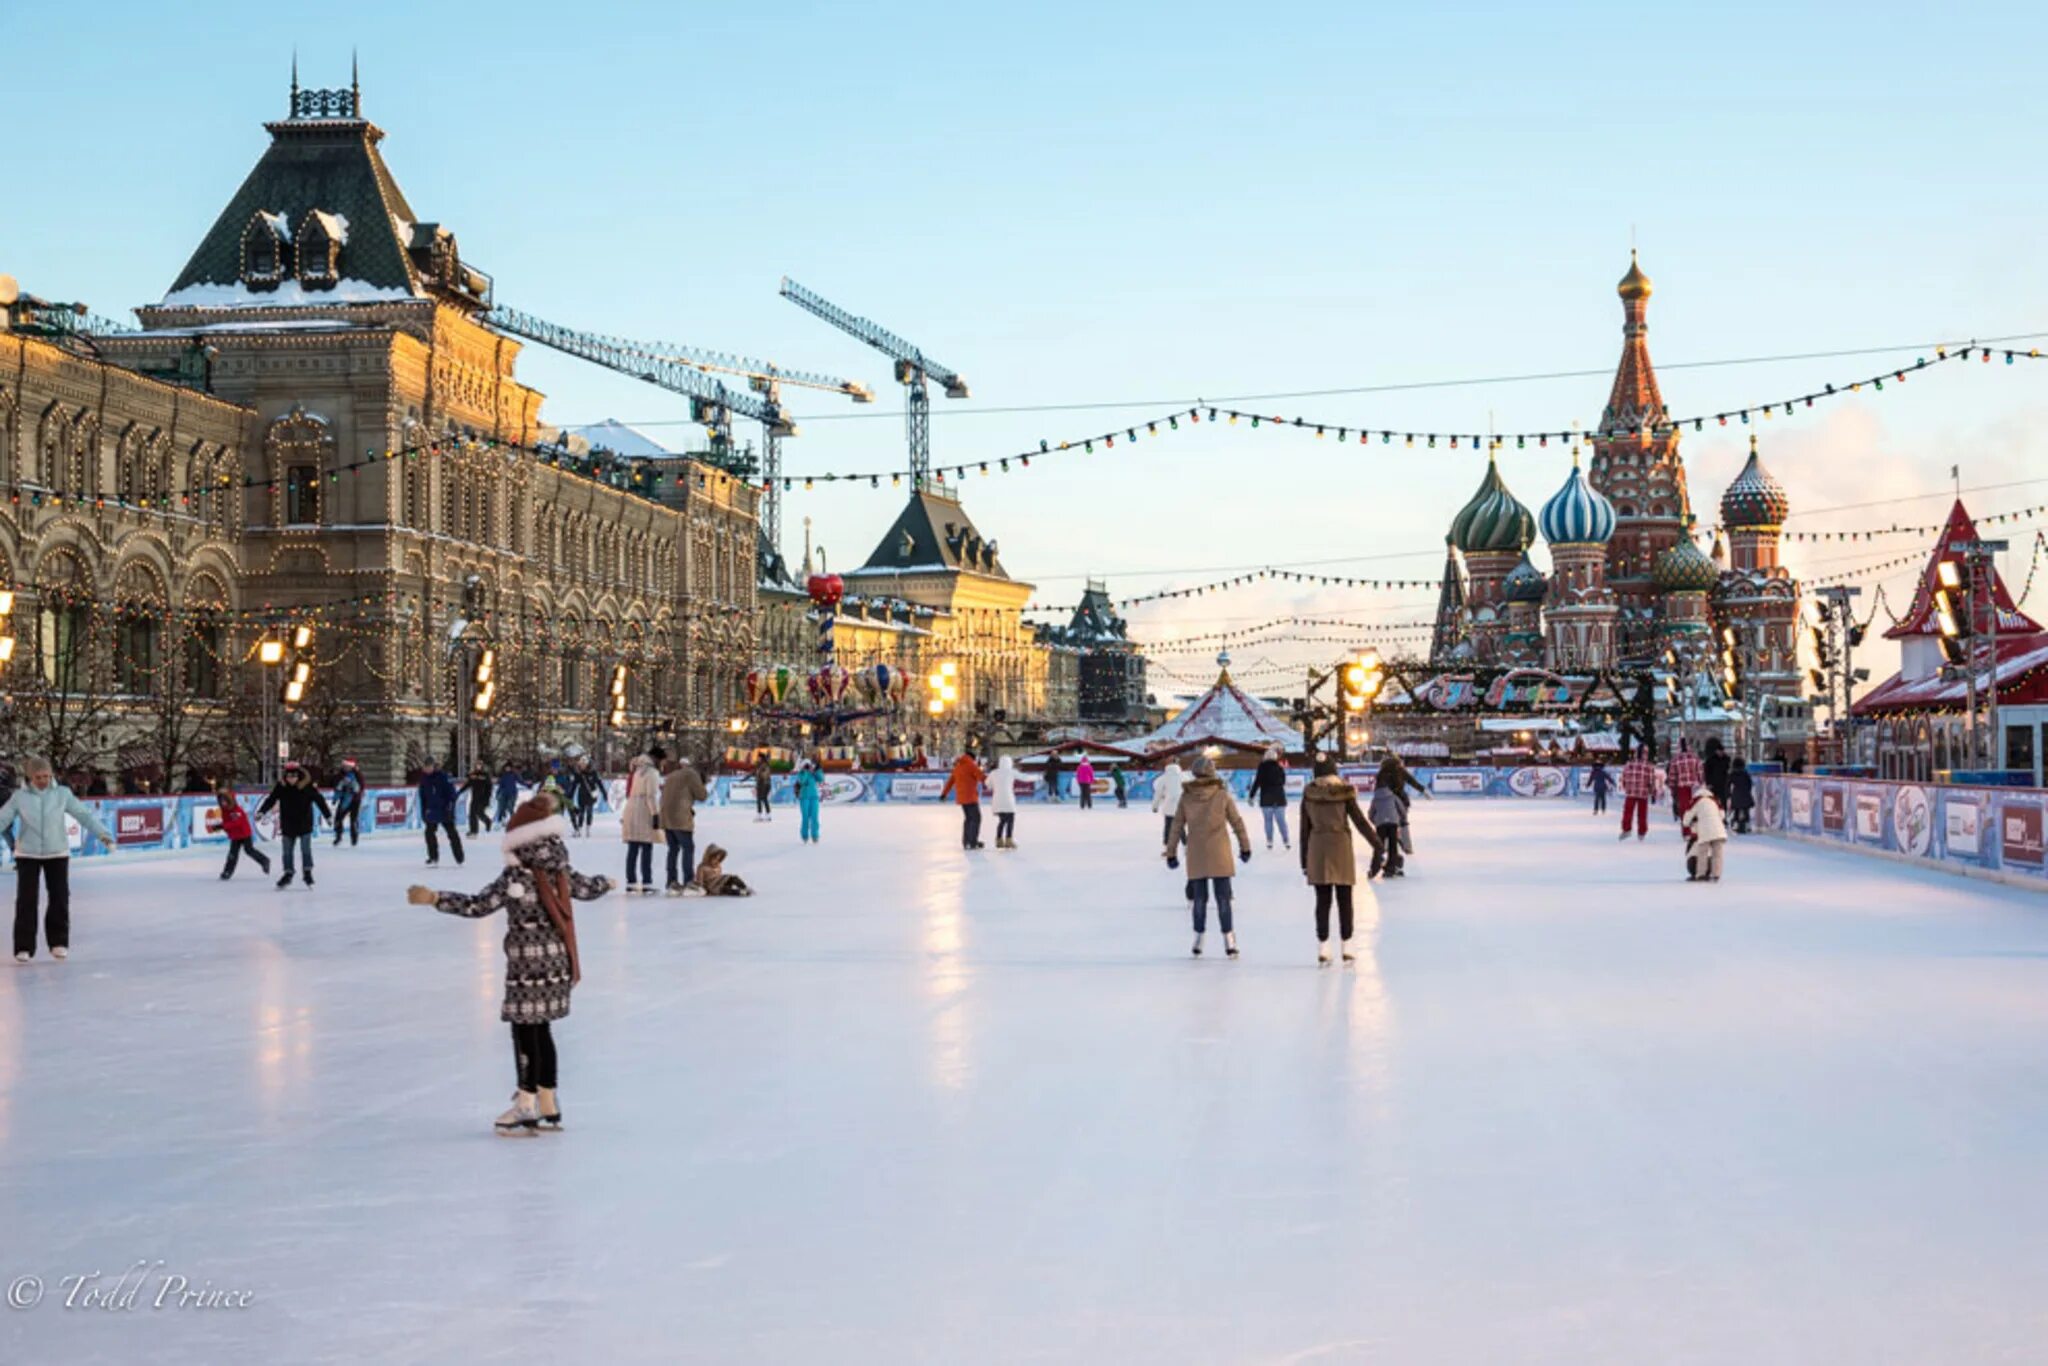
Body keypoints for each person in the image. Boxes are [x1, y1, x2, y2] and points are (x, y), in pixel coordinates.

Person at [406, 795, 613, 1135]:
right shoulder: (560, 869)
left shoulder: (517, 876)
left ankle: (526, 1103)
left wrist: (435, 898)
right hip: (559, 963)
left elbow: (478, 905)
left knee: (523, 1030)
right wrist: (607, 882)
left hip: (526, 969)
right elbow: (588, 889)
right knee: (542, 1029)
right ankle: (548, 1100)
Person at [2, 756, 116, 962]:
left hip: (57, 853)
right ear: (30, 777)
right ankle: (24, 947)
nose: (43, 780)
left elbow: (84, 815)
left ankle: (58, 942)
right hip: (28, 854)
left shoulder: (62, 794)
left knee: (59, 897)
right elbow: (3, 818)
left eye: (46, 775)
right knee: (26, 900)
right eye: (38, 777)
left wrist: (103, 834)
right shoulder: (20, 797)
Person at [1165, 756, 1252, 958]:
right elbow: (1236, 822)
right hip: (1219, 851)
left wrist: (1171, 852)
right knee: (1223, 898)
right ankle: (1229, 940)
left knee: (1199, 899)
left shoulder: (1187, 797)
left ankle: (1198, 938)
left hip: (1197, 852)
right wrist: (1245, 846)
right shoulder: (1222, 795)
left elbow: (1176, 826)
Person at [1299, 758, 1380, 965]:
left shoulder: (1309, 794)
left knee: (1322, 900)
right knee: (1345, 899)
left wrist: (1304, 860)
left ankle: (1324, 946)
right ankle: (1348, 944)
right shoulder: (1344, 793)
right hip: (1340, 847)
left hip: (1318, 847)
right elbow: (1360, 821)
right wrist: (1377, 843)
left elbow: (1304, 829)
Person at [256, 762, 332, 888]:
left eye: (293, 777)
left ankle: (307, 872)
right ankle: (288, 873)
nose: (290, 780)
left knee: (305, 849)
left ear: (299, 777)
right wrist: (262, 811)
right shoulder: (282, 787)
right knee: (287, 851)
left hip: (304, 823)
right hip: (288, 823)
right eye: (288, 777)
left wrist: (328, 815)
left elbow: (320, 800)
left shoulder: (307, 787)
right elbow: (271, 799)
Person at [659, 753, 709, 893]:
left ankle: (671, 881)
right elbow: (702, 795)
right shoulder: (691, 774)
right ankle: (688, 881)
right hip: (680, 817)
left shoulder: (671, 776)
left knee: (673, 850)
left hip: (666, 817)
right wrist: (702, 784)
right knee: (688, 848)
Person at [620, 753, 661, 893]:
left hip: (631, 809)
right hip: (644, 811)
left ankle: (631, 881)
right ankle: (647, 882)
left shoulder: (637, 773)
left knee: (633, 848)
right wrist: (655, 814)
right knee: (646, 847)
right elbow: (651, 795)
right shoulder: (652, 773)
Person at [217, 784, 271, 880]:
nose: (223, 803)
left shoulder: (235, 809)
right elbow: (227, 822)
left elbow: (236, 822)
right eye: (221, 801)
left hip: (244, 833)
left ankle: (264, 861)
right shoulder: (224, 809)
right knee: (232, 853)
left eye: (224, 801)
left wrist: (222, 826)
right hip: (235, 835)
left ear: (228, 800)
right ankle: (227, 872)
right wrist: (219, 826)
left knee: (249, 850)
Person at [418, 758, 463, 867]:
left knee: (452, 833)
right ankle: (433, 857)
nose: (427, 769)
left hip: (444, 809)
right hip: (431, 810)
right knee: (429, 833)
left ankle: (459, 856)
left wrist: (449, 807)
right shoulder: (424, 779)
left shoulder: (443, 777)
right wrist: (424, 812)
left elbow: (451, 794)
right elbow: (423, 796)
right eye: (425, 767)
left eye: (429, 767)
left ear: (433, 766)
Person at [940, 751, 987, 850]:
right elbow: (981, 777)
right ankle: (973, 842)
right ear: (972, 758)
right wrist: (992, 780)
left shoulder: (958, 766)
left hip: (961, 798)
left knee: (968, 819)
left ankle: (966, 842)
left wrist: (944, 794)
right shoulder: (972, 765)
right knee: (976, 818)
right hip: (971, 797)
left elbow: (950, 781)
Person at [1367, 768, 1409, 879]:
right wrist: (1402, 820)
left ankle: (1374, 869)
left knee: (1378, 847)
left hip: (1380, 824)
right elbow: (1402, 809)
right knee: (1392, 846)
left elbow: (1371, 813)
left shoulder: (1376, 798)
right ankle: (1391, 868)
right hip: (1393, 824)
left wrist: (1376, 822)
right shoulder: (1393, 796)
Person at [1681, 788, 1729, 881]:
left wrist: (1688, 822)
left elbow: (1686, 818)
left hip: (1705, 830)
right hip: (1719, 830)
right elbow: (1722, 815)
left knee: (1702, 852)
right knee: (1717, 854)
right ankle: (1716, 875)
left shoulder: (1697, 801)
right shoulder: (1714, 801)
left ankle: (1701, 874)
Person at [1249, 747, 1291, 851]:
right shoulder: (1279, 767)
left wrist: (1251, 796)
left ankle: (1269, 841)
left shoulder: (1262, 767)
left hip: (1266, 799)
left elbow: (1257, 782)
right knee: (1281, 821)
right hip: (1279, 798)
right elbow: (1283, 781)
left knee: (1268, 821)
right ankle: (1286, 841)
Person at [1618, 746, 1660, 841]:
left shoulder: (1629, 764)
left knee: (1628, 812)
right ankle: (1641, 832)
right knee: (1642, 813)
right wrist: (1653, 792)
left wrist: (1625, 786)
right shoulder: (1648, 766)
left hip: (1631, 792)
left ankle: (1626, 829)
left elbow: (1624, 777)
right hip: (1643, 793)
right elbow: (1651, 781)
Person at [681, 843, 753, 897]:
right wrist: (704, 890)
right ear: (709, 857)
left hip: (720, 881)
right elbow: (700, 882)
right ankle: (740, 892)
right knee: (725, 889)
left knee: (733, 878)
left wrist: (722, 879)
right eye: (714, 859)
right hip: (712, 887)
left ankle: (744, 887)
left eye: (718, 859)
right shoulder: (702, 867)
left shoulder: (718, 866)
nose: (716, 861)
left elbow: (719, 876)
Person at [1152, 758, 1187, 847]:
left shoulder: (1164, 778)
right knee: (1180, 826)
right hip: (1181, 806)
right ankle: (1186, 845)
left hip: (1169, 806)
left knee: (1168, 826)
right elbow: (1190, 791)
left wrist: (1155, 806)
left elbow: (1158, 793)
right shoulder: (1183, 777)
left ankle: (1166, 846)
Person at [1667, 739, 1704, 822]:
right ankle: (1694, 820)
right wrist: (1701, 782)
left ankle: (1686, 825)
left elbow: (1672, 776)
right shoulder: (1695, 758)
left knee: (1684, 805)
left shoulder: (1675, 760)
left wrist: (1672, 787)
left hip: (1682, 785)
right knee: (1693, 803)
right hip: (1694, 785)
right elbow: (1700, 771)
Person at [330, 758, 364, 847]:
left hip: (355, 800)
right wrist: (338, 793)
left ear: (351, 767)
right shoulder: (340, 775)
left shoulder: (357, 775)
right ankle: (338, 836)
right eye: (344, 766)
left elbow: (361, 787)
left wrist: (354, 791)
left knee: (353, 820)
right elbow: (336, 785)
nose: (345, 768)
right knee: (338, 818)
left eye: (347, 766)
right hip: (344, 800)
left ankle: (354, 838)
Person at [989, 754, 1020, 849]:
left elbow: (988, 784)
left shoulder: (994, 773)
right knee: (1010, 820)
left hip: (997, 801)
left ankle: (998, 840)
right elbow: (1025, 777)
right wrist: (1038, 777)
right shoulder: (1011, 772)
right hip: (1008, 800)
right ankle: (1008, 839)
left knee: (1002, 821)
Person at [793, 759, 823, 845]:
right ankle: (805, 836)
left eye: (809, 765)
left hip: (814, 798)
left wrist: (818, 770)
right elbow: (802, 781)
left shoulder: (813, 773)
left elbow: (821, 779)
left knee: (815, 818)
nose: (809, 766)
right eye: (806, 765)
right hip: (804, 798)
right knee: (805, 818)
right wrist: (805, 771)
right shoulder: (801, 773)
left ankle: (815, 836)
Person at [570, 759, 601, 837]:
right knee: (581, 813)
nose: (582, 766)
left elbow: (599, 783)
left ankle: (588, 828)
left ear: (587, 764)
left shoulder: (593, 773)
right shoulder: (579, 774)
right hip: (581, 795)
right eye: (581, 764)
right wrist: (571, 795)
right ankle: (579, 829)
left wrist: (604, 793)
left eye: (583, 764)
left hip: (590, 795)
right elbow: (574, 785)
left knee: (589, 812)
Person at [465, 766, 495, 836]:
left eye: (479, 765)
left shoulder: (485, 775)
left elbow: (489, 786)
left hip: (483, 798)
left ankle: (487, 821)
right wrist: (459, 792)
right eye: (477, 765)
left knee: (479, 813)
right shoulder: (473, 775)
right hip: (474, 797)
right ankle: (473, 830)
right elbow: (468, 783)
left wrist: (488, 797)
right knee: (472, 814)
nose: (478, 767)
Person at [1703, 738, 1732, 808]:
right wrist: (1708, 783)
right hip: (1713, 784)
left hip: (1723, 784)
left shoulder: (1726, 759)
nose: (1721, 753)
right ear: (1716, 751)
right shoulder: (1710, 760)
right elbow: (1707, 773)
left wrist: (1729, 782)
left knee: (1723, 801)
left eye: (1722, 751)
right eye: (1719, 751)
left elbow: (1729, 771)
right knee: (1713, 801)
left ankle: (1723, 816)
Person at [1728, 763, 1755, 835]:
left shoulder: (1733, 774)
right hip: (1745, 794)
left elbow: (1728, 784)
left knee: (1736, 810)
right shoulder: (1746, 773)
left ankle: (1736, 824)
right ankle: (1747, 825)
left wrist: (1729, 794)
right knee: (1746, 810)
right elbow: (1750, 783)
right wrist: (1747, 790)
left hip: (1736, 794)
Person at [494, 764, 523, 828]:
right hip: (504, 793)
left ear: (511, 768)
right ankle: (501, 821)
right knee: (501, 807)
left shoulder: (514, 774)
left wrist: (528, 784)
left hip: (512, 793)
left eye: (508, 768)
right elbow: (500, 785)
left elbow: (520, 781)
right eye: (506, 768)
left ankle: (515, 821)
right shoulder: (503, 775)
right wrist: (497, 793)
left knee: (510, 807)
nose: (507, 769)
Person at [752, 752, 774, 823]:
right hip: (760, 784)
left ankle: (768, 815)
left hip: (765, 784)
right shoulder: (759, 765)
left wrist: (759, 774)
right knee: (759, 799)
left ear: (761, 758)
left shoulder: (765, 765)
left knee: (764, 799)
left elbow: (766, 774)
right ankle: (760, 815)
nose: (757, 759)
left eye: (758, 757)